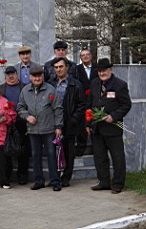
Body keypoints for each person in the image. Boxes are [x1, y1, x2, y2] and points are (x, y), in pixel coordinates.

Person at [87, 58, 132, 194]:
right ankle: (104, 182)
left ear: (110, 70)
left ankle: (117, 184)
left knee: (117, 157)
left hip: (112, 128)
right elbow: (90, 104)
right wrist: (88, 123)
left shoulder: (120, 85)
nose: (102, 73)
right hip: (97, 128)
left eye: (104, 70)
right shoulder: (94, 83)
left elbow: (126, 105)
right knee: (100, 157)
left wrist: (113, 116)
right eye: (100, 71)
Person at [17, 65, 64, 191]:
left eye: (39, 76)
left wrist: (58, 126)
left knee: (51, 154)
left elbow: (58, 109)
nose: (37, 78)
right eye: (34, 76)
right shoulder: (25, 91)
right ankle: (39, 181)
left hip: (49, 129)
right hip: (33, 130)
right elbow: (20, 108)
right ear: (30, 77)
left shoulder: (50, 89)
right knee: (36, 155)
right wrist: (27, 117)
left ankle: (55, 181)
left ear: (42, 76)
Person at [51, 57, 84, 187]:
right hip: (53, 123)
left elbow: (81, 105)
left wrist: (73, 119)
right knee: (55, 151)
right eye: (56, 67)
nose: (59, 69)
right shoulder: (51, 83)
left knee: (69, 152)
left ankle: (66, 177)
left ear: (67, 68)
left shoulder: (76, 84)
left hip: (70, 123)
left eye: (61, 67)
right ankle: (56, 177)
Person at [0, 65, 29, 185]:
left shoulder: (25, 87)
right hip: (6, 123)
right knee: (6, 149)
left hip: (22, 122)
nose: (11, 76)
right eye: (8, 74)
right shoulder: (0, 89)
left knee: (23, 150)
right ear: (5, 76)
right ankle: (8, 174)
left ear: (17, 75)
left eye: (13, 74)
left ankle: (22, 175)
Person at [73, 49, 98, 156]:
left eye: (87, 54)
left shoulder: (97, 68)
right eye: (83, 55)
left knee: (95, 122)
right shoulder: (77, 69)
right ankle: (81, 147)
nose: (86, 57)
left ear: (91, 56)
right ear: (80, 58)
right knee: (82, 125)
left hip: (95, 99)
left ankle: (96, 147)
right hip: (82, 100)